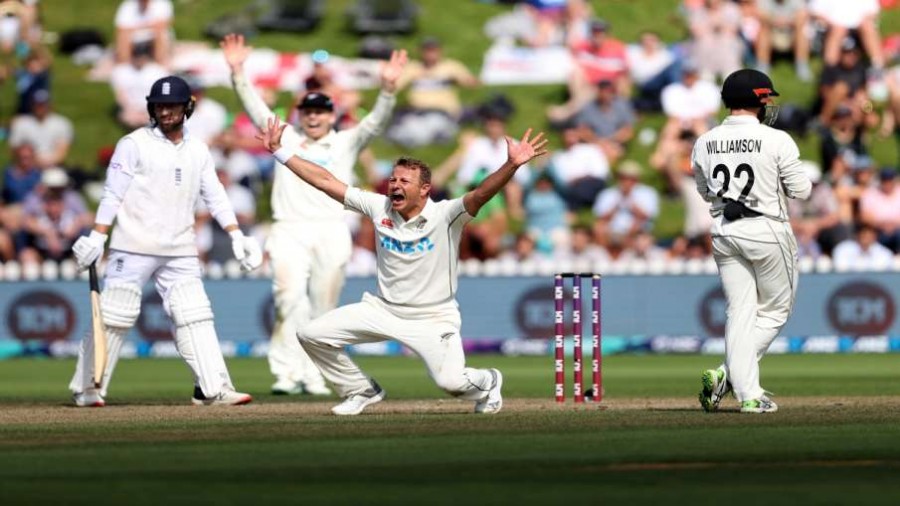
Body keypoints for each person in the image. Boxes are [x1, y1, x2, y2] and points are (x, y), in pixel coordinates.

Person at [257, 117, 547, 416]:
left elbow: (482, 193)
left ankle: (488, 382)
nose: (394, 185)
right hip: (382, 309)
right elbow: (326, 181)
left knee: (452, 384)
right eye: (393, 180)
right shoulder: (378, 206)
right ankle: (360, 389)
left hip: (432, 317)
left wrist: (512, 165)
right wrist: (280, 151)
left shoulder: (446, 215)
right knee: (311, 334)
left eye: (403, 181)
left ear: (424, 190)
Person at [220, 33, 406, 396]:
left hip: (332, 228)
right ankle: (286, 374)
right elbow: (257, 108)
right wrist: (239, 72)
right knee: (288, 299)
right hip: (289, 228)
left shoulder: (346, 140)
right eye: (308, 112)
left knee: (324, 305)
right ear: (300, 115)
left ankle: (316, 374)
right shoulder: (287, 137)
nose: (314, 117)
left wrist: (387, 90)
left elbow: (377, 123)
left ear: (332, 115)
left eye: (320, 112)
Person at [67, 75, 263, 408]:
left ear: (188, 107)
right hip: (133, 244)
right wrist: (99, 235)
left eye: (172, 105)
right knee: (115, 313)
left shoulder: (198, 148)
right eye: (159, 105)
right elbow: (113, 192)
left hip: (180, 248)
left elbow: (214, 194)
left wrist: (236, 233)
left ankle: (213, 389)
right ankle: (88, 388)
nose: (165, 111)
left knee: (195, 313)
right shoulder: (133, 143)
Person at [693, 69, 811, 414]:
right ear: (758, 100)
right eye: (766, 98)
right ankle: (738, 385)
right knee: (774, 311)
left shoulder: (704, 140)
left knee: (739, 313)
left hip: (724, 230)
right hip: (767, 229)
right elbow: (801, 191)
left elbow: (704, 192)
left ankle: (740, 387)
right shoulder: (776, 139)